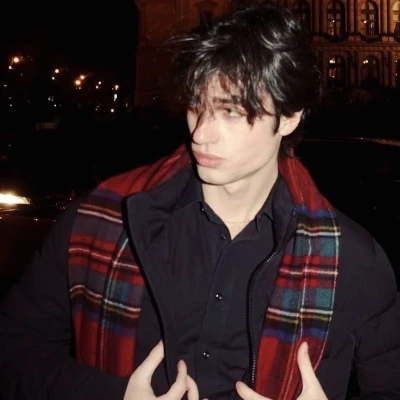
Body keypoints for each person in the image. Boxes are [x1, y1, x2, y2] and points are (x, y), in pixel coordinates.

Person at [1, 3, 399, 400]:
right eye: (196, 105)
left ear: (290, 116)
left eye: (230, 111)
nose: (200, 134)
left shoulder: (354, 261)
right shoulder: (100, 220)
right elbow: (14, 348)